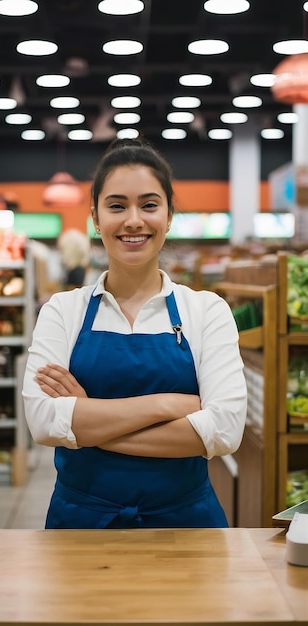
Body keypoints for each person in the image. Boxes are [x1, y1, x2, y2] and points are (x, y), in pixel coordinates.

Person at [22, 137, 247, 529]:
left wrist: (86, 422)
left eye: (148, 204)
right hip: (79, 528)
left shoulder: (207, 310)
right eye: (116, 206)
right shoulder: (63, 310)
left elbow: (225, 430)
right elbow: (43, 421)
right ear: (95, 218)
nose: (133, 220)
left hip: (189, 528)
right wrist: (167, 405)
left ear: (169, 214)